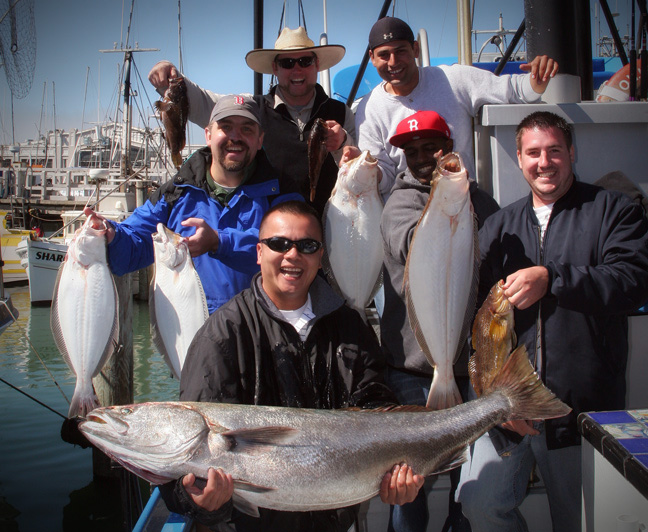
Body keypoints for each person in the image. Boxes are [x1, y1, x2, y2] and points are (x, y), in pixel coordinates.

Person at [159, 200, 424, 531]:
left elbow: (376, 403)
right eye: (279, 244)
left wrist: (397, 471)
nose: (292, 255)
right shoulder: (223, 334)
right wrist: (198, 500)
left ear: (320, 255)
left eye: (307, 245)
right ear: (258, 252)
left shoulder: (350, 326)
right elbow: (186, 449)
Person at [455, 111, 648, 531]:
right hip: (508, 406)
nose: (544, 162)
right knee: (479, 502)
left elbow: (633, 281)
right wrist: (494, 400)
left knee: (577, 521)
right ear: (520, 160)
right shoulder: (498, 225)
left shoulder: (613, 209)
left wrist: (553, 278)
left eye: (554, 151)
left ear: (572, 154)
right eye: (533, 153)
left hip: (577, 408)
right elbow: (477, 323)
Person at [380, 111, 499, 532]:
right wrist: (445, 203)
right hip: (412, 370)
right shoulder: (399, 202)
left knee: (463, 484)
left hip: (468, 367)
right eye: (411, 152)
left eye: (430, 148)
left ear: (449, 148)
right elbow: (412, 241)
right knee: (409, 486)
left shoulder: (480, 201)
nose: (421, 158)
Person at [85, 94, 302, 314]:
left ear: (260, 140)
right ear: (208, 135)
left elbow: (292, 250)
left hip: (259, 333)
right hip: (189, 332)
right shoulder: (174, 192)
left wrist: (219, 242)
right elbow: (132, 249)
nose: (235, 137)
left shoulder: (281, 194)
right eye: (225, 127)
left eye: (247, 129)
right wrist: (110, 235)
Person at [148, 26, 355, 215]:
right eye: (287, 63)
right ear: (275, 68)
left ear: (317, 64)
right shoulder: (251, 109)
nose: (297, 69)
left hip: (332, 231)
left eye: (305, 61)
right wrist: (169, 75)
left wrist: (344, 142)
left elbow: (363, 167)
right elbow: (204, 103)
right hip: (269, 231)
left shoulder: (342, 112)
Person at [355, 16, 559, 198]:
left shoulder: (455, 79)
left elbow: (512, 90)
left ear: (415, 49)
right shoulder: (368, 109)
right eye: (384, 55)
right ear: (372, 57)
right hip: (409, 208)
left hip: (462, 199)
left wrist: (537, 78)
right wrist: (365, 169)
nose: (393, 62)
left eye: (401, 51)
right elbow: (385, 178)